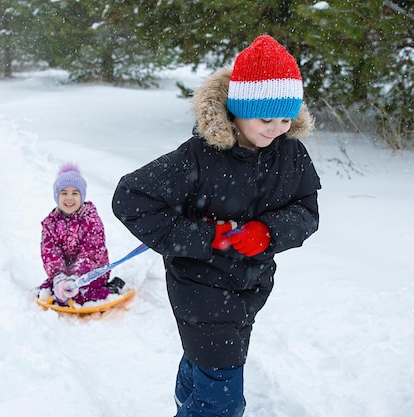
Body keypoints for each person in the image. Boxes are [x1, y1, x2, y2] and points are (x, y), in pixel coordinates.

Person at [112, 35, 321, 416]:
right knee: (222, 396)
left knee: (208, 361)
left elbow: (307, 211)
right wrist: (209, 237)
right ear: (238, 109)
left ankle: (186, 400)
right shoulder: (199, 156)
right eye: (266, 118)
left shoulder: (291, 154)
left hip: (252, 285)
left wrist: (268, 232)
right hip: (199, 284)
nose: (277, 128)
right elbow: (130, 199)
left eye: (286, 118)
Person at [38, 163, 124, 305]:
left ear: (82, 195)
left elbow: (91, 252)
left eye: (75, 193)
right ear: (56, 196)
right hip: (65, 272)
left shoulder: (91, 220)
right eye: (64, 193)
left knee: (82, 295)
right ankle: (57, 286)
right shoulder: (50, 223)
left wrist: (77, 277)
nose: (69, 198)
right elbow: (50, 252)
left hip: (92, 272)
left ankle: (112, 289)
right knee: (52, 288)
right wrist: (59, 276)